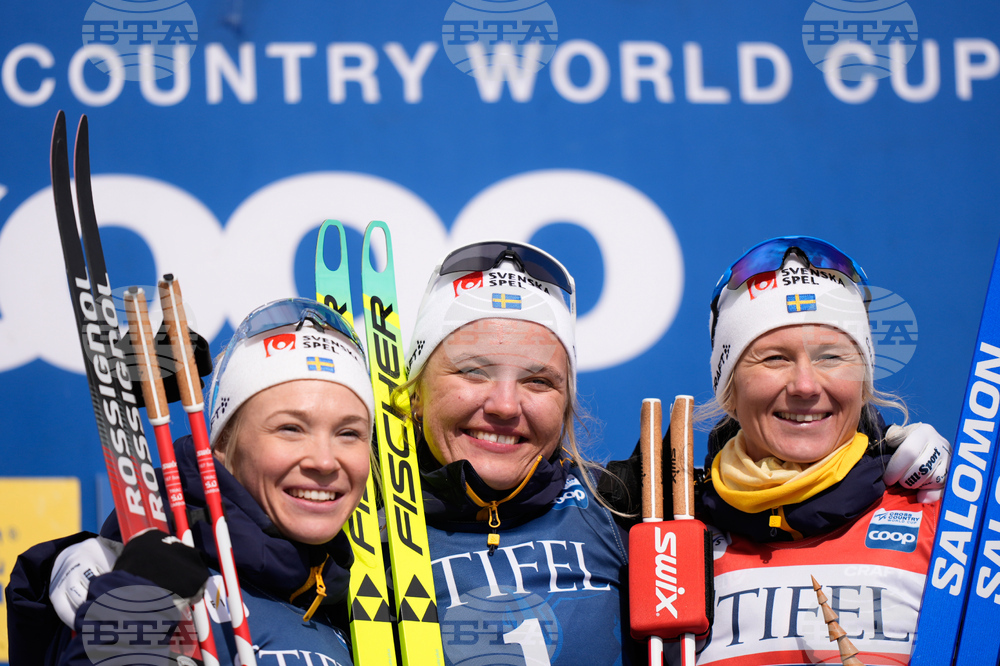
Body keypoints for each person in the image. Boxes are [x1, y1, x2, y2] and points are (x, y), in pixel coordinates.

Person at [6, 298, 374, 665]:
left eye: (349, 433)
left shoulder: (355, 607)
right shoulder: (140, 575)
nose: (325, 460)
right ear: (222, 445)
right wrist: (130, 612)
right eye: (290, 428)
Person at [689, 236, 949, 665]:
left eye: (831, 356)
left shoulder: (941, 520)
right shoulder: (673, 541)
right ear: (729, 389)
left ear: (864, 381)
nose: (806, 386)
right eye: (773, 358)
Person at [403, 241, 637, 665]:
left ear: (566, 403)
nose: (505, 406)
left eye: (538, 381)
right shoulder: (356, 534)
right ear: (416, 392)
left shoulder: (619, 510)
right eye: (473, 371)